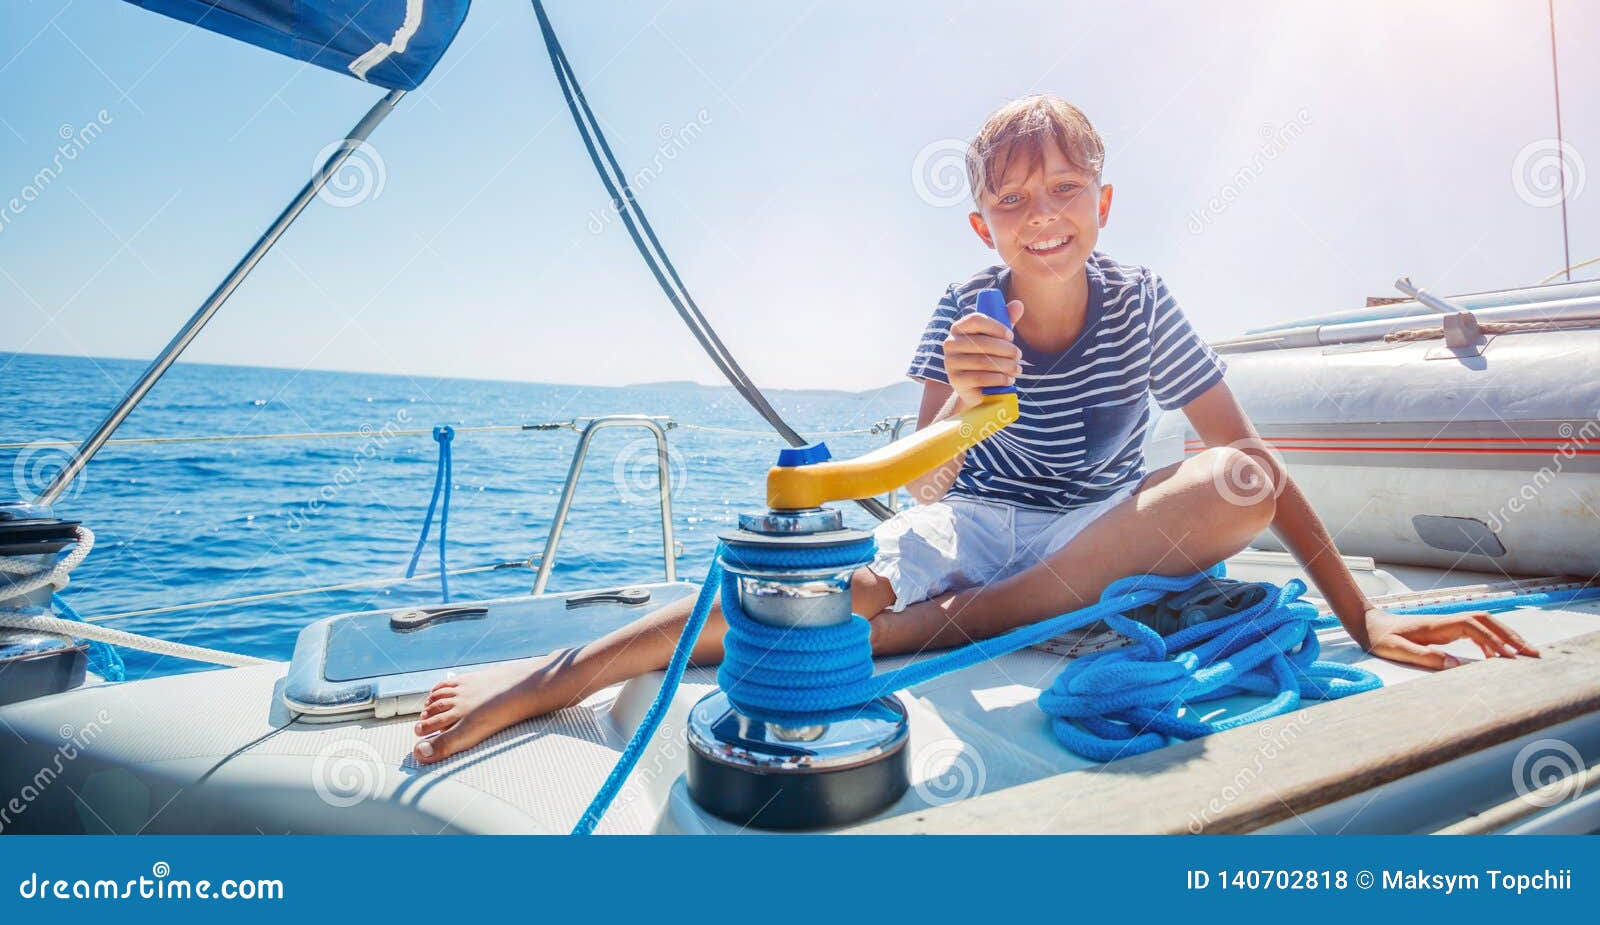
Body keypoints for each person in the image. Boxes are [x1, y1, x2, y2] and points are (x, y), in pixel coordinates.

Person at [410, 94, 1536, 764]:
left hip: (1088, 528)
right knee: (814, 602)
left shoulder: (1143, 302)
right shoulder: (962, 308)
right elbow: (925, 489)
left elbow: (1260, 473)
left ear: (1103, 202)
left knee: (1233, 478)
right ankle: (541, 681)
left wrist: (1367, 622)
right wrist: (956, 395)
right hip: (977, 524)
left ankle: (969, 623)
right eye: (1013, 200)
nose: (1039, 217)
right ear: (981, 219)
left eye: (1062, 191)